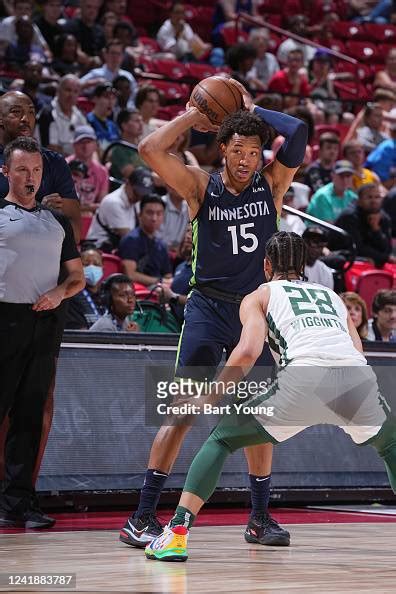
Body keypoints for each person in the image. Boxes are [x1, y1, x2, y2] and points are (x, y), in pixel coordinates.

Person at [119, 78, 307, 549]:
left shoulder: (273, 184)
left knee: (258, 417)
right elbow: (148, 148)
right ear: (222, 148)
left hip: (255, 312)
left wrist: (250, 108)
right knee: (181, 410)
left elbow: (299, 132)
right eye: (237, 150)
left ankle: (259, 518)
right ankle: (142, 516)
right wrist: (196, 114)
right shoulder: (200, 187)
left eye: (253, 152)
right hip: (207, 307)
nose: (245, 161)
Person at [144, 231, 396, 562]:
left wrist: (209, 398)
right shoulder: (332, 295)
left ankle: (176, 533)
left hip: (303, 378)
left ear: (266, 265)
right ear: (305, 265)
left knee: (221, 439)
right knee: (391, 446)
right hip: (355, 379)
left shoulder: (259, 295)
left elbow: (247, 351)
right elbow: (355, 349)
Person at [0, 136, 84, 528]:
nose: (30, 177)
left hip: (44, 323)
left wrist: (57, 291)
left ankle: (19, 502)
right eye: (22, 170)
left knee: (30, 417)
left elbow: (78, 278)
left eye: (35, 170)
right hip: (5, 320)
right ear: (6, 173)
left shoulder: (58, 222)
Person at [0, 91, 81, 242]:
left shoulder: (54, 162)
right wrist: (40, 213)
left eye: (31, 112)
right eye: (16, 112)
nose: (26, 119)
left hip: (44, 256)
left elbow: (75, 233)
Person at [87, 166, 155, 251]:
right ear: (127, 183)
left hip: (118, 248)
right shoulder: (114, 202)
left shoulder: (136, 200)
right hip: (98, 251)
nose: (139, 197)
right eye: (136, 193)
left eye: (143, 194)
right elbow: (128, 238)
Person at [331, 183, 394, 267]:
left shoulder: (383, 217)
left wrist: (376, 229)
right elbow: (357, 248)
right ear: (359, 201)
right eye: (369, 197)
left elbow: (387, 248)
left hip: (375, 258)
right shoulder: (349, 216)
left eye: (377, 197)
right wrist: (386, 258)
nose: (373, 201)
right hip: (345, 257)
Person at [118, 194, 173, 287]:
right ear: (140, 215)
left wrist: (166, 282)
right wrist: (160, 281)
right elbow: (130, 275)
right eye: (150, 213)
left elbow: (168, 276)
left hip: (159, 289)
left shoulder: (162, 245)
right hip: (138, 291)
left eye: (159, 213)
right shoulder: (131, 240)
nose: (154, 218)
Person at [36, 74, 87, 156]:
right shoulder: (48, 113)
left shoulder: (79, 115)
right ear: (58, 91)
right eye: (68, 90)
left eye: (75, 92)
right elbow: (51, 150)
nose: (71, 95)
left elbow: (89, 141)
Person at [66, 125, 109, 214]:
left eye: (89, 142)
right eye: (81, 142)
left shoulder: (102, 171)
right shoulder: (63, 166)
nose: (85, 146)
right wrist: (87, 208)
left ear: (95, 145)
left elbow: (102, 204)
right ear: (74, 145)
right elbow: (61, 204)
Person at [65, 247, 105, 329]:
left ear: (102, 268)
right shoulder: (71, 296)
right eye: (86, 264)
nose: (92, 268)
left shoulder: (107, 294)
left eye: (96, 264)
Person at [109, 109, 145, 181]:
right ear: (124, 125)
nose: (141, 123)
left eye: (141, 120)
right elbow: (132, 175)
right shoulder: (118, 149)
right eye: (137, 121)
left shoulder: (143, 147)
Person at [86, 82, 120, 154]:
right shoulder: (87, 121)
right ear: (95, 99)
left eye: (113, 98)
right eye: (106, 97)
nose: (111, 102)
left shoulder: (113, 126)